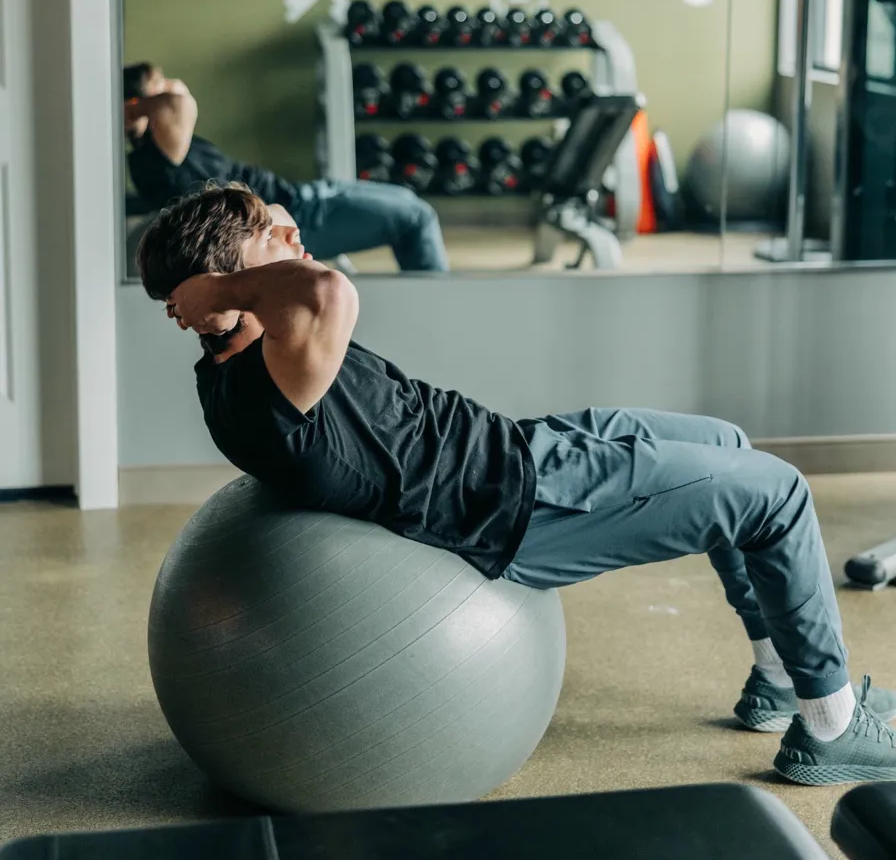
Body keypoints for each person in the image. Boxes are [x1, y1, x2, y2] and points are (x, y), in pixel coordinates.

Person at [136, 182, 896, 786]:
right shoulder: (267, 389)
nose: (294, 232)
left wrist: (228, 282)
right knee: (779, 492)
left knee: (728, 442)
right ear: (226, 284)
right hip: (526, 506)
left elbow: (302, 283)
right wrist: (215, 288)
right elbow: (331, 290)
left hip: (518, 445)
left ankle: (776, 676)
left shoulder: (254, 355)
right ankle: (830, 722)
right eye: (273, 230)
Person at [122, 63, 449, 272]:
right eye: (161, 85)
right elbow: (180, 103)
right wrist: (138, 108)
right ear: (138, 108)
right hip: (294, 219)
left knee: (408, 200)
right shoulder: (156, 159)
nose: (174, 85)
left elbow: (175, 104)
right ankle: (443, 306)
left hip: (299, 195)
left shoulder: (168, 147)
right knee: (417, 218)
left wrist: (149, 98)